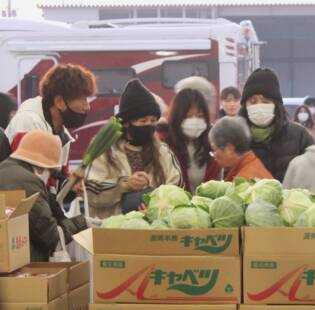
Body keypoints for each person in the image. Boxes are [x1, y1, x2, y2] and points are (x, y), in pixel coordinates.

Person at [85, 79, 183, 218]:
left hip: (155, 229)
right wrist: (124, 184)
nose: (149, 125)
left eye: (153, 120)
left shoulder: (163, 152)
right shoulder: (104, 150)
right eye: (143, 121)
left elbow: (177, 188)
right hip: (113, 230)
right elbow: (90, 191)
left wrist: (155, 205)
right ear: (126, 123)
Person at [2, 64, 96, 187]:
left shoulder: (61, 132)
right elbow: (27, 183)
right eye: (82, 100)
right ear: (59, 102)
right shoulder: (28, 122)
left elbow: (53, 184)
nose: (87, 107)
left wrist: (70, 187)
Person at [0, 131, 87, 261]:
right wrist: (82, 222)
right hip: (24, 266)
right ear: (41, 165)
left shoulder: (5, 169)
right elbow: (49, 235)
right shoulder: (27, 181)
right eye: (50, 170)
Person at [238, 68, 314, 181]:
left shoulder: (299, 136)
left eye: (265, 101)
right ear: (245, 105)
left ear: (276, 104)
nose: (259, 106)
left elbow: (312, 174)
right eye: (253, 101)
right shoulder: (237, 138)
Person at [165, 88, 220, 193]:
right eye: (188, 116)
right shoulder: (165, 147)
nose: (194, 121)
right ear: (177, 117)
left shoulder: (212, 145)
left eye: (200, 116)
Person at [209, 116, 272, 181]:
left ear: (229, 149)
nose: (214, 156)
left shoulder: (243, 182)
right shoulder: (253, 166)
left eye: (214, 150)